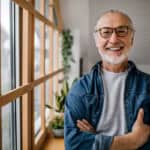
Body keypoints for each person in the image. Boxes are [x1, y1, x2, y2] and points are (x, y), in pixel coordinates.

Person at [64, 9, 150, 150]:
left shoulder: (148, 86)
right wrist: (133, 141)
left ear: (132, 38)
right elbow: (74, 145)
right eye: (106, 32)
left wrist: (96, 139)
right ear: (97, 40)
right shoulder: (80, 90)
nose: (114, 39)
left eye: (122, 30)